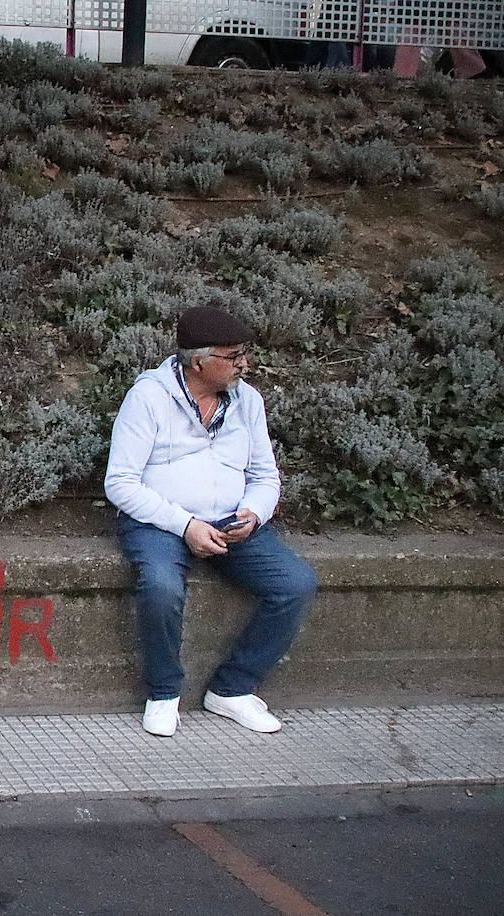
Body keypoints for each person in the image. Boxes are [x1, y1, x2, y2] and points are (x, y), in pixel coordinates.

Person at [104, 306, 317, 738]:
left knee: (296, 584)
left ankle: (232, 690)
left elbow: (264, 475)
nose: (245, 363)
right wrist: (185, 526)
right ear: (198, 360)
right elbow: (120, 483)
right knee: (161, 586)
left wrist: (254, 512)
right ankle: (164, 694)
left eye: (244, 354)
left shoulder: (248, 401)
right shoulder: (148, 397)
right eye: (233, 355)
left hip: (232, 523)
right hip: (159, 523)